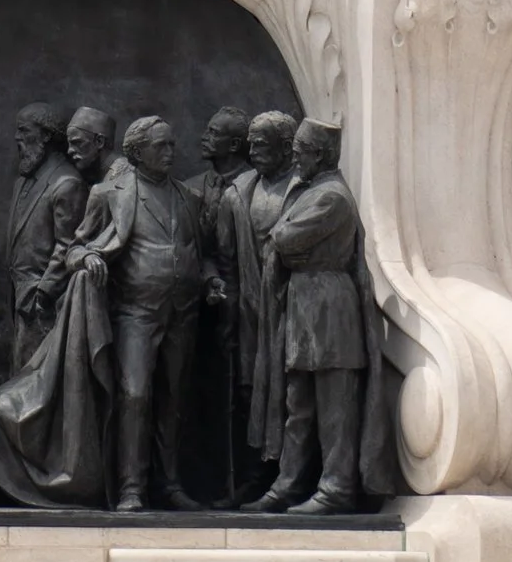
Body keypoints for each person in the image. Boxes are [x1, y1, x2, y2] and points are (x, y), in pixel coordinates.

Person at [250, 120, 394, 513]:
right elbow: (281, 239)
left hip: (331, 309)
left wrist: (286, 243)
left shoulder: (331, 197)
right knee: (299, 405)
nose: (295, 158)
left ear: (323, 154)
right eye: (294, 149)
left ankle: (336, 489)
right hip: (304, 307)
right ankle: (289, 484)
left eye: (302, 151)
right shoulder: (309, 191)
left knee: (335, 409)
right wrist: (286, 244)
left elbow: (283, 239)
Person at [82, 112, 223, 516]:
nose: (170, 151)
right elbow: (76, 247)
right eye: (161, 145)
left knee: (173, 399)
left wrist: (210, 281)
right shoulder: (109, 194)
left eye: (172, 144)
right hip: (135, 313)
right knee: (135, 395)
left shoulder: (188, 197)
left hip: (183, 312)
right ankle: (131, 486)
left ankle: (170, 483)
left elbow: (205, 254)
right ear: (137, 151)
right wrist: (88, 258)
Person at [224, 107, 300, 479]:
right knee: (248, 391)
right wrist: (214, 283)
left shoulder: (304, 189)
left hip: (293, 309)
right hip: (249, 312)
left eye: (261, 144)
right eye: (250, 143)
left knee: (293, 394)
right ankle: (256, 480)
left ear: (286, 147)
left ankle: (293, 477)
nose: (252, 151)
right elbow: (220, 257)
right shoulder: (238, 192)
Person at [3, 105, 78, 366]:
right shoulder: (22, 181)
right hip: (19, 295)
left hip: (44, 301)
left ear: (46, 136)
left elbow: (68, 245)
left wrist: (43, 293)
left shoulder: (67, 183)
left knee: (37, 379)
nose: (17, 137)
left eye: (24, 130)